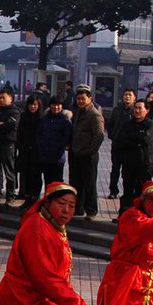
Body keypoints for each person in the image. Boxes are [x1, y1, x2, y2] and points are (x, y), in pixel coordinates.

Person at [68, 85, 105, 219]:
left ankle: (91, 210)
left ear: (90, 99)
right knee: (76, 182)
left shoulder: (94, 115)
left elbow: (99, 136)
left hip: (88, 155)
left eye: (83, 99)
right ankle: (78, 208)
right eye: (78, 99)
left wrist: (90, 151)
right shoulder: (78, 112)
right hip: (76, 153)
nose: (80, 101)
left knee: (89, 183)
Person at [113, 99, 153, 215]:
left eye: (140, 108)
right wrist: (137, 140)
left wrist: (132, 138)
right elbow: (120, 141)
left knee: (142, 192)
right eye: (135, 108)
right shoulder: (127, 124)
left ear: (147, 110)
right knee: (127, 192)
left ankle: (141, 215)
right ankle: (124, 215)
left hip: (144, 165)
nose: (137, 110)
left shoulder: (150, 124)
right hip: (128, 164)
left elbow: (146, 140)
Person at [0, 88, 20, 206]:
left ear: (10, 98)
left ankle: (10, 195)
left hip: (8, 144)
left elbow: (10, 126)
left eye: (3, 98)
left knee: (9, 171)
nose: (1, 100)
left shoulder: (15, 112)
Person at [107, 88, 136, 199]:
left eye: (129, 95)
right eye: (125, 95)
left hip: (129, 147)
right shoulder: (117, 110)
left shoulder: (135, 110)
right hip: (117, 145)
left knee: (127, 171)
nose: (127, 97)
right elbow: (110, 124)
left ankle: (127, 192)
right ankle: (113, 191)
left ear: (134, 97)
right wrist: (112, 136)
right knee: (115, 169)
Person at [37, 96, 72, 184]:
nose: (56, 107)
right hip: (45, 155)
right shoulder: (44, 119)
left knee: (57, 180)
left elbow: (67, 137)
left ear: (62, 106)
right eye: (53, 105)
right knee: (47, 179)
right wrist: (41, 145)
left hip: (58, 157)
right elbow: (39, 134)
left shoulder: (65, 120)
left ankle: (57, 198)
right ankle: (48, 197)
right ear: (50, 106)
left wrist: (58, 147)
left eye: (58, 105)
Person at [15, 95, 43, 204]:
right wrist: (20, 145)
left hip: (37, 151)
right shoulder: (24, 116)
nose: (32, 107)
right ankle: (27, 196)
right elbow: (20, 133)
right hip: (25, 149)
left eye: (35, 104)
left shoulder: (42, 118)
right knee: (25, 173)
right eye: (31, 104)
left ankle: (35, 196)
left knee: (36, 174)